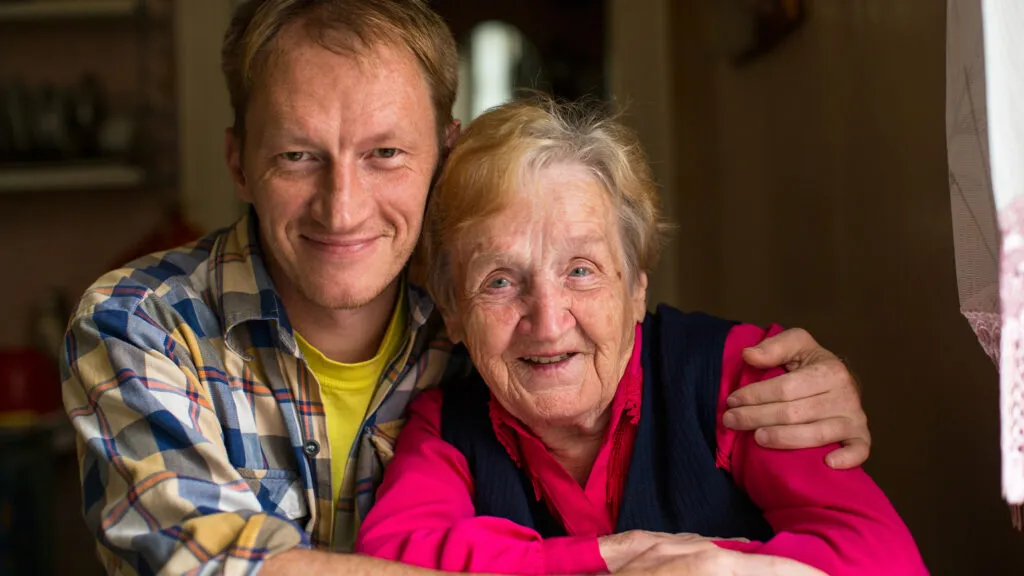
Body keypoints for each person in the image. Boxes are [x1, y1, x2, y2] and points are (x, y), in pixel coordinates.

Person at [60, 1, 869, 574]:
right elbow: (206, 567)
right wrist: (616, 564)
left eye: (385, 154)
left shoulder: (485, 320)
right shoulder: (141, 322)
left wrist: (799, 388)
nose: (343, 207)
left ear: (444, 153)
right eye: (298, 156)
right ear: (239, 160)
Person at [355, 97, 927, 575]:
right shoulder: (445, 425)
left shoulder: (736, 373)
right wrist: (611, 557)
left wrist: (714, 568)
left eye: (581, 270)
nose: (549, 321)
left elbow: (887, 560)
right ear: (453, 314)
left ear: (636, 290)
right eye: (500, 281)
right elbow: (389, 558)